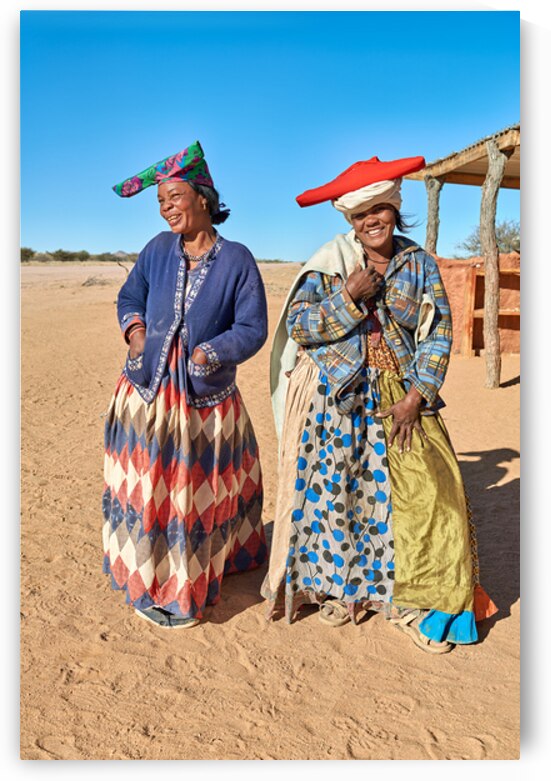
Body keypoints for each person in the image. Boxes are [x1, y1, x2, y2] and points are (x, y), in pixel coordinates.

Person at [262, 154, 497, 653]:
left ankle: (419, 603)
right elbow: (300, 328)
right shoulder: (330, 265)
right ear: (350, 220)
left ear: (395, 209)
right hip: (335, 398)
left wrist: (417, 396)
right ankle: (343, 593)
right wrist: (347, 298)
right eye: (360, 213)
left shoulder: (419, 264)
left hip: (401, 397)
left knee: (432, 496)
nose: (372, 220)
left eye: (380, 209)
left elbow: (437, 335)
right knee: (338, 498)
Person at [103, 141, 268, 628]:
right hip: (147, 392)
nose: (166, 207)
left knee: (192, 495)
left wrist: (208, 353)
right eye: (160, 201)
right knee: (147, 488)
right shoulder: (156, 249)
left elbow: (252, 327)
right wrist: (136, 333)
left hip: (204, 398)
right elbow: (130, 294)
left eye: (174, 197)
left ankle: (183, 589)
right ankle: (146, 576)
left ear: (203, 197)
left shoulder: (237, 259)